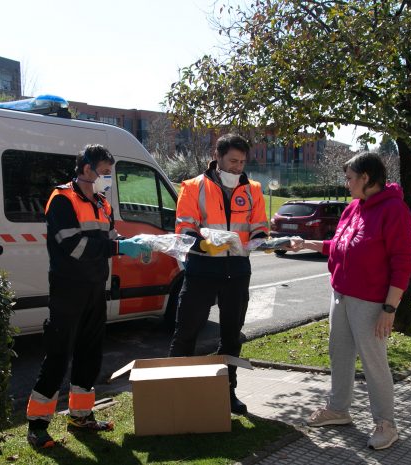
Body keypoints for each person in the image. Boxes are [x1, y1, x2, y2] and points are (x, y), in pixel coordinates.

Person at [26, 144, 151, 449]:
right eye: (105, 173)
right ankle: (37, 426)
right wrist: (120, 248)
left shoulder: (101, 202)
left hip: (96, 288)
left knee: (90, 353)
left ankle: (80, 416)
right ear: (86, 170)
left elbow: (108, 239)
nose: (108, 178)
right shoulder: (61, 200)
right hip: (68, 289)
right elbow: (75, 248)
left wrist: (133, 243)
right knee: (58, 356)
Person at [290, 152, 411, 450]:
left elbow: (403, 262)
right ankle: (338, 409)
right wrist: (309, 244)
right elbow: (341, 245)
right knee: (339, 353)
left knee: (374, 363)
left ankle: (386, 424)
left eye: (349, 178)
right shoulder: (354, 209)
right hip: (341, 295)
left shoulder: (393, 210)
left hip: (371, 302)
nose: (346, 184)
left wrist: (389, 308)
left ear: (367, 178)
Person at [168, 133, 269, 414]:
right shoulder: (192, 187)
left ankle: (228, 393)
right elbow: (184, 227)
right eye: (233, 161)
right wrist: (204, 243)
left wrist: (261, 239)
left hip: (237, 269)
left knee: (232, 335)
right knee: (186, 329)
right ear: (218, 157)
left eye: (242, 162)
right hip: (202, 267)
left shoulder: (254, 189)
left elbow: (259, 225)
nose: (238, 167)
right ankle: (175, 391)